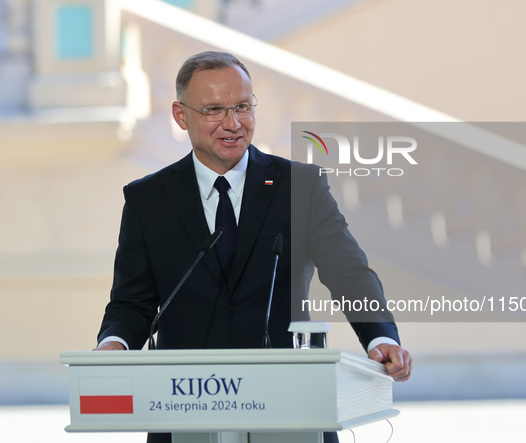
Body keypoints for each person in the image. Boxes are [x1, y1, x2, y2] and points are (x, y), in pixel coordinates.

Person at [95, 51, 412, 443]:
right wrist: (115, 342)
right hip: (187, 408)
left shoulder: (301, 187)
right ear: (181, 116)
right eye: (214, 110)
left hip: (292, 406)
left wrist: (381, 338)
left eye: (242, 106)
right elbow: (132, 301)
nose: (233, 123)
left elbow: (350, 274)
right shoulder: (148, 199)